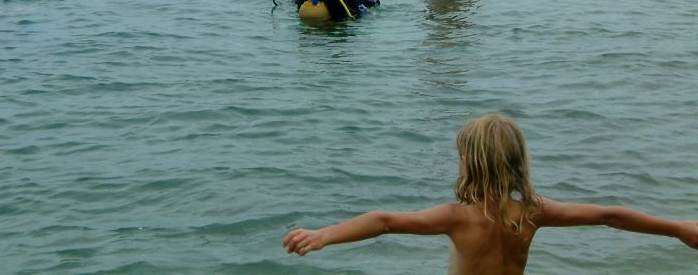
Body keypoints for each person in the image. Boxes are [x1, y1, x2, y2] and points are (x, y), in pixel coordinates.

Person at [283, 114, 697, 274]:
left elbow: (385, 221)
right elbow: (609, 215)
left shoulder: (457, 217)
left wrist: (325, 234)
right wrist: (678, 228)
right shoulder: (533, 212)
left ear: (470, 163)